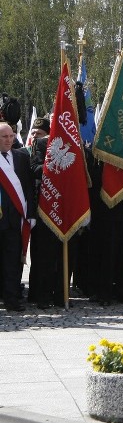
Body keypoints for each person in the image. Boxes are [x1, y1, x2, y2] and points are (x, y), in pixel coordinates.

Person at [0, 122, 36, 312]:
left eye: (11, 136)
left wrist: (30, 214)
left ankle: (12, 299)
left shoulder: (22, 156)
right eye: (4, 137)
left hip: (15, 218)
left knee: (13, 260)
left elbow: (28, 187)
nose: (9, 140)